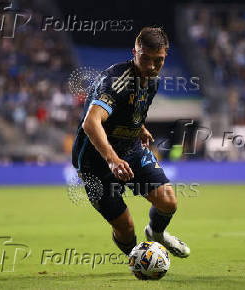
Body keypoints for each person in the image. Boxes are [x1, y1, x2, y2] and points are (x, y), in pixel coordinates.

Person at [71, 26, 190, 258]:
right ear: (134, 52)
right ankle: (136, 258)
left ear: (165, 56)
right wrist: (112, 159)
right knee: (125, 228)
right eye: (145, 58)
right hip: (96, 162)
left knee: (168, 202)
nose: (151, 66)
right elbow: (91, 122)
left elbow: (129, 110)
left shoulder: (152, 81)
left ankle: (156, 233)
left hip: (130, 149)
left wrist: (139, 127)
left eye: (159, 60)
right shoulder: (117, 81)